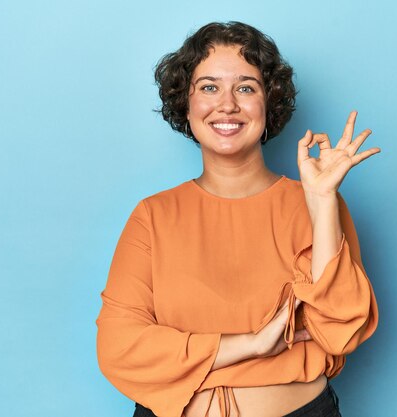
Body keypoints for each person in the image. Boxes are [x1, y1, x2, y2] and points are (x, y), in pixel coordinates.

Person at [96, 21, 380, 417]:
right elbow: (119, 348)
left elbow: (341, 330)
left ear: (269, 102)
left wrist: (320, 200)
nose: (227, 104)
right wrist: (252, 343)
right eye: (209, 87)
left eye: (246, 87)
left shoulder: (313, 203)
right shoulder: (153, 216)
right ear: (187, 103)